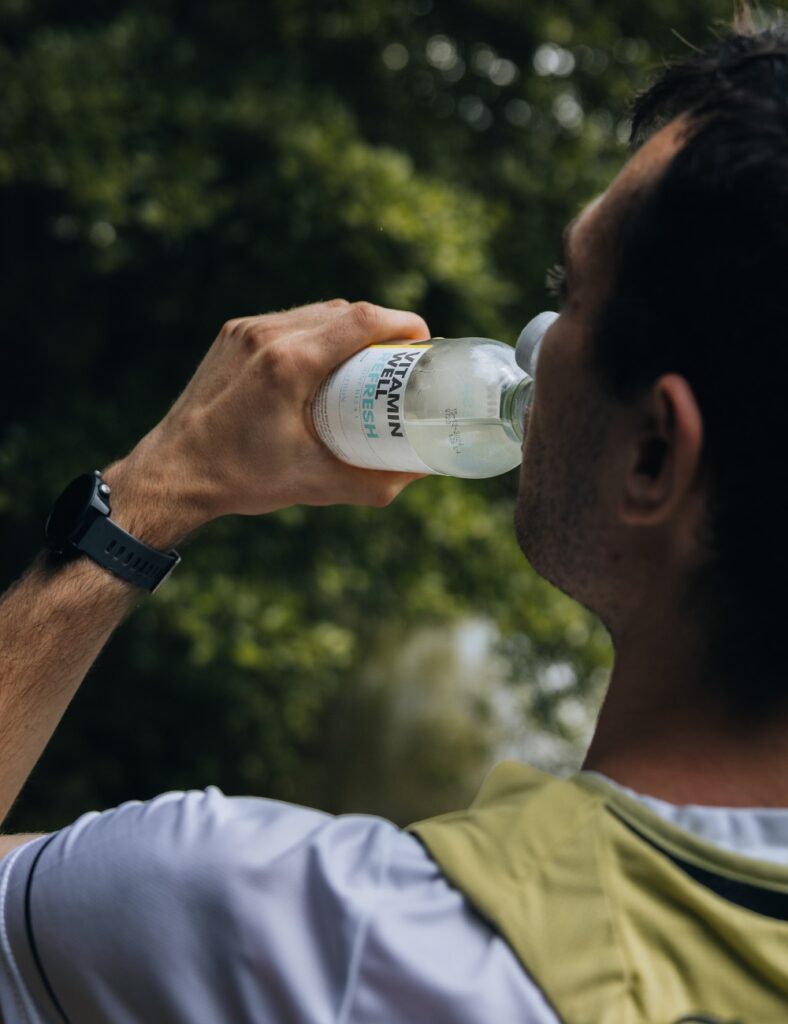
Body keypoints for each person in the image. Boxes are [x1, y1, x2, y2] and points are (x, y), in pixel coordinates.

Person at [1, 6, 788, 1022]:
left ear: (650, 456)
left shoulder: (316, 935)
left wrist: (162, 484)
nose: (534, 336)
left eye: (574, 292)